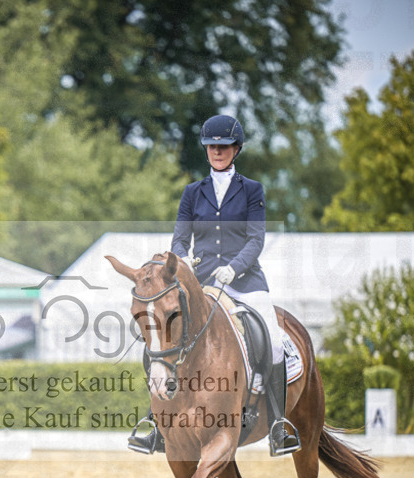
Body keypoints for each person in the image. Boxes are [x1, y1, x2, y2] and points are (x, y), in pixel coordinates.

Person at [128, 114, 300, 457]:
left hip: (246, 281)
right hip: (202, 282)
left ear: (236, 149)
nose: (217, 152)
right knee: (162, 335)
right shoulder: (193, 193)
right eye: (211, 147)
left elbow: (256, 239)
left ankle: (279, 424)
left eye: (223, 146)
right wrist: (182, 266)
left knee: (274, 338)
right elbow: (180, 239)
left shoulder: (252, 190)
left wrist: (234, 269)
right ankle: (156, 423)